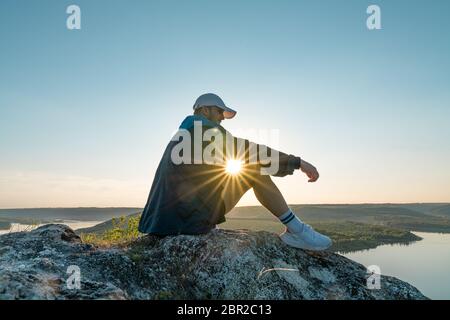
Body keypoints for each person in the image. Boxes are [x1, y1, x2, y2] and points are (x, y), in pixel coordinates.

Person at [138, 93, 332, 251]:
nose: (222, 117)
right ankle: (297, 231)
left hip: (162, 223)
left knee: (240, 169)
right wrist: (298, 163)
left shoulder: (183, 134)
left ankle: (296, 230)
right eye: (219, 111)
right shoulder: (202, 130)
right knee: (253, 171)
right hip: (186, 222)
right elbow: (247, 151)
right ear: (204, 110)